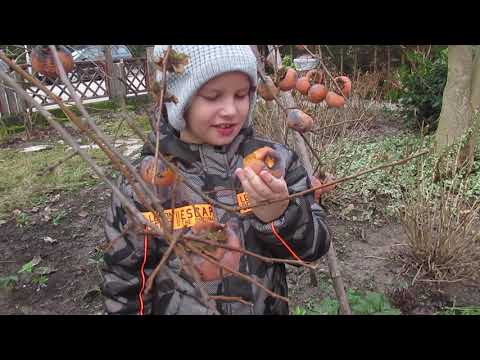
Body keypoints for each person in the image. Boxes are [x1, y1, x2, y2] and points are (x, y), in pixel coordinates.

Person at [101, 45, 331, 315]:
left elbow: (313, 249)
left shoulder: (275, 163)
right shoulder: (144, 185)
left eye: (241, 94)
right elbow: (125, 281)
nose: (231, 110)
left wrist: (279, 215)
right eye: (212, 96)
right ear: (179, 100)